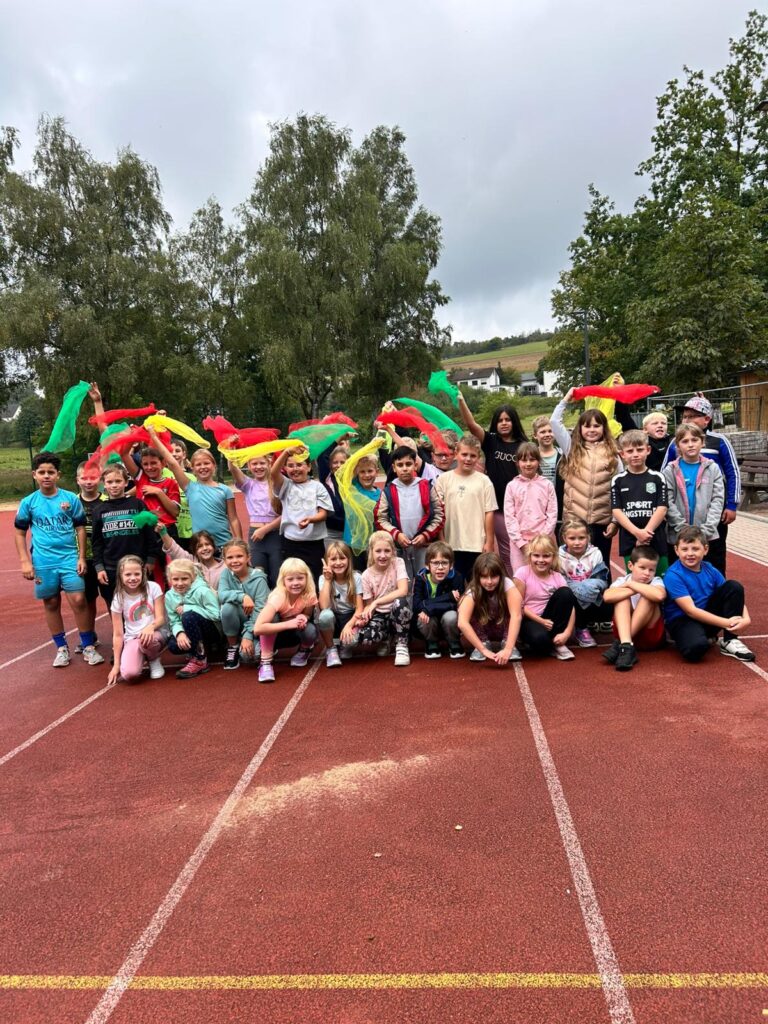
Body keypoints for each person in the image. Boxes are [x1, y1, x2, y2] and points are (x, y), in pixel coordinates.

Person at [14, 451, 103, 667]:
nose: (46, 476)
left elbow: (80, 528)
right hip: (43, 561)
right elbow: (19, 532)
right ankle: (61, 648)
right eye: (42, 472)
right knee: (51, 602)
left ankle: (88, 646)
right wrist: (25, 561)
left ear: (58, 475)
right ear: (34, 474)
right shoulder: (29, 502)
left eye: (51, 472)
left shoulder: (70, 499)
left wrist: (81, 557)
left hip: (69, 558)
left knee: (79, 600)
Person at [661, 395, 739, 575]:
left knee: (714, 559)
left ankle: (715, 589)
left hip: (711, 517)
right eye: (685, 416)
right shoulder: (674, 444)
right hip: (680, 519)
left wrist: (732, 504)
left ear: (707, 419)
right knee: (680, 562)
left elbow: (732, 473)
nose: (688, 419)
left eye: (693, 416)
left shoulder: (719, 441)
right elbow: (664, 478)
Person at [662, 525, 755, 662]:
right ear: (676, 550)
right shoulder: (673, 575)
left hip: (706, 615)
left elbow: (732, 594)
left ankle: (730, 640)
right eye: (684, 549)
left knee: (733, 586)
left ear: (705, 549)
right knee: (695, 650)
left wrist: (746, 619)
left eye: (695, 549)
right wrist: (727, 623)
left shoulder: (710, 569)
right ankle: (698, 637)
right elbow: (690, 611)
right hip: (683, 619)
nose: (690, 553)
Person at [457, 394, 528, 570]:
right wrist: (462, 401)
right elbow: (471, 425)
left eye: (508, 420)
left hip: (521, 507)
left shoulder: (523, 445)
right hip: (498, 508)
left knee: (524, 546)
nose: (504, 423)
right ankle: (511, 580)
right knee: (506, 549)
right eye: (500, 420)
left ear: (514, 422)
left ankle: (526, 579)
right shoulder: (491, 441)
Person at [551, 389, 620, 568]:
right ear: (580, 429)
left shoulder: (613, 454)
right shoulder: (571, 449)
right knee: (572, 567)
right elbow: (554, 422)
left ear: (604, 428)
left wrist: (614, 521)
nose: (592, 430)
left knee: (601, 566)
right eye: (587, 426)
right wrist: (566, 399)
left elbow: (618, 490)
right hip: (575, 521)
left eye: (596, 426)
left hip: (601, 522)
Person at [150, 428, 241, 549]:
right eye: (198, 464)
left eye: (206, 463)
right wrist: (154, 437)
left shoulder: (225, 490)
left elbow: (233, 519)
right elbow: (172, 463)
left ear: (214, 465)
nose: (203, 467)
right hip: (200, 547)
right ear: (192, 468)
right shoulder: (189, 487)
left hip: (224, 545)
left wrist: (240, 543)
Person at [91, 463, 161, 612]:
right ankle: (119, 629)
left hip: (138, 566)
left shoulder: (137, 505)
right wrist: (99, 568)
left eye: (118, 481)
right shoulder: (99, 510)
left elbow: (150, 534)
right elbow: (96, 542)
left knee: (144, 606)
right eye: (110, 482)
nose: (114, 485)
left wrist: (150, 559)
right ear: (104, 484)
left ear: (126, 482)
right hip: (111, 568)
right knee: (116, 608)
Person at [374, 445, 445, 582]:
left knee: (425, 580)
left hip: (424, 545)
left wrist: (426, 535)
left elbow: (440, 514)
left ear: (415, 465)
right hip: (400, 547)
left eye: (408, 464)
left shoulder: (426, 486)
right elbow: (380, 518)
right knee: (403, 581)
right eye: (400, 465)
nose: (405, 468)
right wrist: (397, 534)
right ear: (394, 468)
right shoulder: (389, 490)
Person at [434, 434, 496, 580]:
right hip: (451, 543)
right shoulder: (443, 480)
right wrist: (441, 539)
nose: (468, 459)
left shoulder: (484, 481)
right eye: (464, 454)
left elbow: (489, 512)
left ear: (478, 457)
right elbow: (438, 512)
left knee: (476, 583)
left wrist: (489, 542)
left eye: (473, 456)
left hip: (476, 544)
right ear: (456, 454)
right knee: (453, 583)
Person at [270, 445, 334, 585]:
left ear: (309, 467)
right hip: (291, 542)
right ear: (285, 468)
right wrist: (286, 452)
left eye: (299, 465)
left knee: (314, 578)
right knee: (293, 578)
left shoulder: (318, 487)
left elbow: (323, 513)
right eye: (290, 465)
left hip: (314, 543)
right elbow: (273, 473)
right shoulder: (285, 485)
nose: (295, 469)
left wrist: (311, 519)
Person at [662, 423, 724, 560]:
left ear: (702, 442)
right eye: (685, 441)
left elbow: (717, 500)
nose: (690, 445)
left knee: (706, 569)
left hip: (707, 535)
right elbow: (667, 501)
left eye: (694, 440)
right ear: (678, 446)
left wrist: (707, 529)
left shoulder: (712, 468)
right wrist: (681, 528)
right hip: (678, 535)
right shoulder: (670, 470)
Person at [610, 428, 669, 572]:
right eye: (630, 451)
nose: (635, 454)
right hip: (630, 540)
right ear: (622, 454)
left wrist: (646, 533)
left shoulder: (657, 477)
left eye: (640, 449)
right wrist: (637, 533)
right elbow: (617, 510)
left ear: (648, 450)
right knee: (635, 580)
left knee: (660, 580)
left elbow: (662, 508)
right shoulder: (618, 480)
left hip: (655, 538)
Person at [351, 531, 412, 666]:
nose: (383, 555)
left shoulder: (398, 563)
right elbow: (369, 605)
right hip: (379, 615)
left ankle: (401, 644)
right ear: (371, 552)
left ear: (393, 551)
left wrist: (377, 602)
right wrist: (365, 616)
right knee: (359, 639)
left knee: (400, 602)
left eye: (387, 551)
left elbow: (403, 591)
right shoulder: (366, 575)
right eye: (378, 551)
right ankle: (386, 638)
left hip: (397, 613)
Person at [254, 558, 319, 683]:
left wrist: (303, 617)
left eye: (300, 578)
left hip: (293, 633)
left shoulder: (309, 593)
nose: (296, 583)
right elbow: (258, 628)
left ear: (307, 578)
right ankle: (266, 661)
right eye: (290, 579)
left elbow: (307, 614)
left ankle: (304, 649)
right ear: (283, 580)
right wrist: (289, 623)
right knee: (251, 655)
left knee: (311, 631)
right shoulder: (278, 597)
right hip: (275, 633)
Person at [602, 545, 666, 672]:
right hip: (626, 634)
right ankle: (626, 646)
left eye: (651, 570)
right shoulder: (622, 580)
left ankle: (622, 644)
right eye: (642, 568)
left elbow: (659, 596)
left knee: (649, 597)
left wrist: (631, 585)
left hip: (649, 637)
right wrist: (633, 588)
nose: (647, 573)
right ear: (630, 566)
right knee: (621, 599)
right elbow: (607, 597)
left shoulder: (656, 581)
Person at [513, 534, 576, 660]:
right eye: (536, 555)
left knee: (566, 592)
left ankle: (557, 642)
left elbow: (570, 607)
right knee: (539, 639)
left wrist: (567, 633)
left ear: (553, 557)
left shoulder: (557, 577)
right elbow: (518, 606)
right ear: (530, 556)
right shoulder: (522, 573)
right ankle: (542, 642)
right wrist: (541, 621)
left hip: (550, 620)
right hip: (530, 618)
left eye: (546, 556)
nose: (541, 560)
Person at [107, 555, 167, 684]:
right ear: (120, 576)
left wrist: (150, 627)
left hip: (155, 633)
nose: (133, 578)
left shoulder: (153, 587)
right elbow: (118, 634)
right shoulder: (118, 598)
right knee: (129, 675)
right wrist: (116, 665)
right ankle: (140, 655)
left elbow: (161, 618)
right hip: (133, 638)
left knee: (147, 640)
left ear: (143, 573)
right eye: (128, 574)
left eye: (137, 574)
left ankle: (154, 659)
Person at [457, 552, 522, 665]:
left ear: (500, 575)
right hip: (483, 626)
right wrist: (483, 650)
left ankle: (507, 641)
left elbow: (516, 616)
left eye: (494, 576)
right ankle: (482, 642)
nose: (489, 581)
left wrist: (508, 648)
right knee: (465, 609)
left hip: (503, 625)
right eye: (484, 577)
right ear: (477, 576)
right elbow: (462, 623)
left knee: (518, 606)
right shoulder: (473, 590)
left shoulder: (507, 584)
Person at [227, 454, 282, 587]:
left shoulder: (277, 484)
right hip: (256, 537)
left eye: (262, 463)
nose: (258, 467)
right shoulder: (248, 485)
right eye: (254, 464)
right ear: (249, 466)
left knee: (277, 576)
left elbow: (286, 514)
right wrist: (231, 450)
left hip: (275, 535)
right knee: (259, 577)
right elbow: (232, 468)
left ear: (269, 463)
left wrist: (265, 529)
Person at [503, 442, 557, 574]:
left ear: (539, 461)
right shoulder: (511, 486)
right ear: (517, 463)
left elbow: (552, 514)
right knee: (521, 577)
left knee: (544, 576)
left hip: (544, 540)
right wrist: (521, 544)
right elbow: (510, 517)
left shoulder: (547, 485)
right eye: (524, 460)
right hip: (519, 544)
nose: (528, 464)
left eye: (532, 459)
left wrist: (542, 540)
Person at [164, 558, 222, 678]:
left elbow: (216, 615)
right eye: (175, 579)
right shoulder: (169, 596)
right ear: (170, 579)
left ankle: (200, 660)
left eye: (184, 579)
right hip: (190, 630)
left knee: (188, 616)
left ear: (193, 577)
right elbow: (174, 620)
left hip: (212, 631)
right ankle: (199, 648)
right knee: (173, 646)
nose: (180, 583)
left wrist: (189, 608)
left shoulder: (203, 591)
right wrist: (180, 633)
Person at [558, 517, 610, 648]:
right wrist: (579, 588)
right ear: (564, 538)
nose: (577, 542)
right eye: (572, 538)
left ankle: (590, 622)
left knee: (606, 596)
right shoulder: (559, 557)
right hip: (572, 597)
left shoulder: (596, 553)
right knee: (569, 594)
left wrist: (585, 587)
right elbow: (560, 582)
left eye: (581, 538)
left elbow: (600, 580)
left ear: (588, 537)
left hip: (592, 593)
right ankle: (581, 628)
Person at [218, 539, 269, 670]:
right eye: (230, 557)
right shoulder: (226, 574)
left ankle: (263, 643)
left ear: (248, 557)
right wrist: (242, 596)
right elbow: (221, 595)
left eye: (239, 556)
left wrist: (248, 635)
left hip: (256, 623)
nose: (235, 561)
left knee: (250, 655)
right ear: (224, 560)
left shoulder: (259, 579)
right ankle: (233, 647)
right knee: (227, 608)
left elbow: (260, 610)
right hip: (238, 621)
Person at [412, 541, 466, 659]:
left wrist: (429, 607)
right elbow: (416, 605)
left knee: (451, 616)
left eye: (444, 563)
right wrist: (448, 597)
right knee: (423, 616)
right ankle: (432, 642)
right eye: (435, 563)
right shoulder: (421, 578)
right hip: (431, 623)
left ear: (451, 565)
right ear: (427, 565)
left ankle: (454, 642)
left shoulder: (457, 577)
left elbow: (458, 605)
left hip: (448, 622)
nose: (440, 567)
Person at [75, 459, 107, 652]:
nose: (88, 481)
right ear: (77, 480)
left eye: (93, 477)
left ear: (100, 479)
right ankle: (89, 636)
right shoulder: (71, 502)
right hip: (83, 559)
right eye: (84, 478)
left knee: (112, 599)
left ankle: (122, 636)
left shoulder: (107, 500)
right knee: (87, 599)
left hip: (105, 558)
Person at [317, 541, 364, 667]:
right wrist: (328, 580)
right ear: (327, 561)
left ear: (349, 560)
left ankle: (344, 645)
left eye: (342, 558)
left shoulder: (356, 577)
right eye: (333, 559)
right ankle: (331, 648)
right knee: (325, 615)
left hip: (350, 617)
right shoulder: (323, 579)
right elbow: (324, 606)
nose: (338, 563)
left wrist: (349, 625)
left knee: (351, 642)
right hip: (334, 617)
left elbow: (360, 608)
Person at [340, 453, 381, 570]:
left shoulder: (381, 495)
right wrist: (371, 447)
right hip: (352, 544)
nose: (366, 475)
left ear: (377, 472)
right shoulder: (352, 488)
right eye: (362, 471)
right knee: (355, 575)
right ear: (356, 472)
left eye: (370, 471)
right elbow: (346, 469)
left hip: (372, 545)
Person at [159, 527, 225, 590]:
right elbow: (173, 549)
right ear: (194, 550)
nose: (205, 548)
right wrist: (163, 532)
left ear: (213, 546)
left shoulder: (225, 567)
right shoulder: (191, 562)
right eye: (200, 546)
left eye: (207, 544)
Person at [531, 416, 564, 526]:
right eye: (542, 432)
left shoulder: (563, 455)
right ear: (535, 435)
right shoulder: (531, 458)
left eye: (550, 431)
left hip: (559, 505)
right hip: (538, 506)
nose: (547, 434)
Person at [169, 439, 195, 550]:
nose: (174, 454)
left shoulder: (193, 477)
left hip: (190, 529)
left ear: (184, 454)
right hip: (170, 530)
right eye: (170, 451)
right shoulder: (162, 474)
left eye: (177, 450)